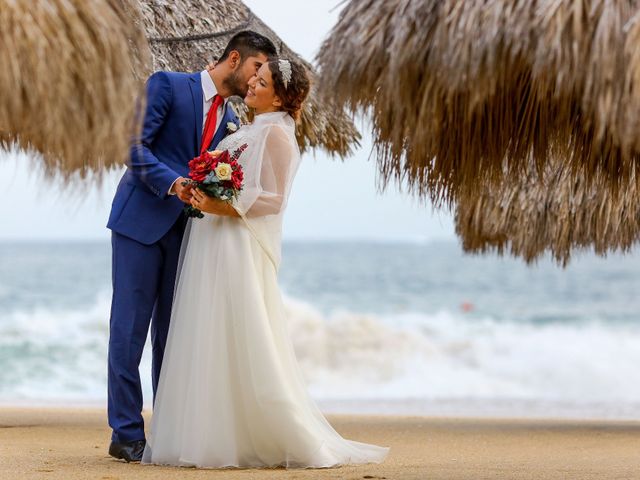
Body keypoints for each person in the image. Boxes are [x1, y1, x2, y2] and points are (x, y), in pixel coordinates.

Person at [142, 59, 389, 468]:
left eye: (262, 82)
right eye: (254, 78)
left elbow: (276, 200)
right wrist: (207, 188)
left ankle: (256, 430)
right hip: (213, 239)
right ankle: (203, 428)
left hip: (236, 241)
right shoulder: (249, 128)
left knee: (237, 328)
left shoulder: (276, 134)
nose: (252, 84)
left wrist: (224, 205)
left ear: (279, 96)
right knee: (207, 329)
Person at [105, 31, 278, 463]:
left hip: (189, 235)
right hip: (140, 224)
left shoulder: (231, 122)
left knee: (172, 335)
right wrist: (174, 183)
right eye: (257, 68)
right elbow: (134, 147)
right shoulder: (167, 84)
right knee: (128, 332)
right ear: (234, 58)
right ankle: (125, 432)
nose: (258, 79)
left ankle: (167, 430)